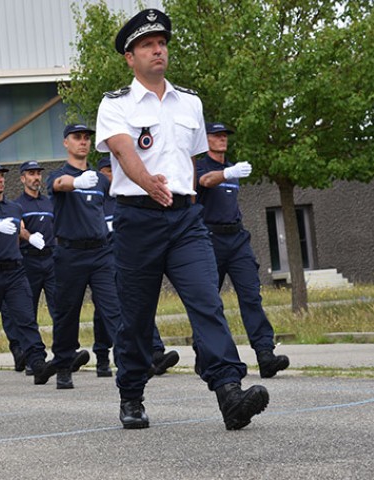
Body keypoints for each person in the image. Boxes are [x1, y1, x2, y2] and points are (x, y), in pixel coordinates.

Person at [95, 9, 269, 430]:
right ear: (130, 57)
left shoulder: (189, 101)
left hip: (186, 220)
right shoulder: (115, 104)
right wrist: (148, 182)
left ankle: (229, 391)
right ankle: (131, 394)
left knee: (207, 302)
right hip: (137, 218)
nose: (158, 50)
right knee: (136, 317)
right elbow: (123, 152)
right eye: (147, 45)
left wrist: (185, 197)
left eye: (162, 43)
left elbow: (190, 160)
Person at [196, 122, 289, 378]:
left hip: (236, 239)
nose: (222, 139)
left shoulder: (231, 169)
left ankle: (265, 354)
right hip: (210, 239)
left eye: (224, 135)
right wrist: (227, 173)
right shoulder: (201, 167)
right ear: (205, 140)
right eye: (216, 135)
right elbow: (206, 181)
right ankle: (203, 353)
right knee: (208, 302)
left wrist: (230, 172)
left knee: (251, 296)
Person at [0, 162, 57, 386]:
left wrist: (29, 237)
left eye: (2, 177)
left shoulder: (14, 208)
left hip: (14, 271)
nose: (0, 180)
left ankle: (37, 363)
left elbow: (19, 228)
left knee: (26, 319)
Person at [45, 124, 123, 390]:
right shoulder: (59, 175)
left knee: (113, 308)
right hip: (70, 253)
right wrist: (76, 182)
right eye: (77, 138)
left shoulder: (101, 180)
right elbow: (59, 185)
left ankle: (126, 361)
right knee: (67, 312)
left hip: (101, 252)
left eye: (86, 138)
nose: (83, 142)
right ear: (66, 143)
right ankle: (64, 365)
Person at [91, 157, 180, 378]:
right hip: (103, 259)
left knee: (136, 305)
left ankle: (156, 352)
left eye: (114, 170)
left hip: (127, 258)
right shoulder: (95, 202)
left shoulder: (124, 200)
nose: (110, 176)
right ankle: (103, 355)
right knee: (107, 310)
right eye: (106, 172)